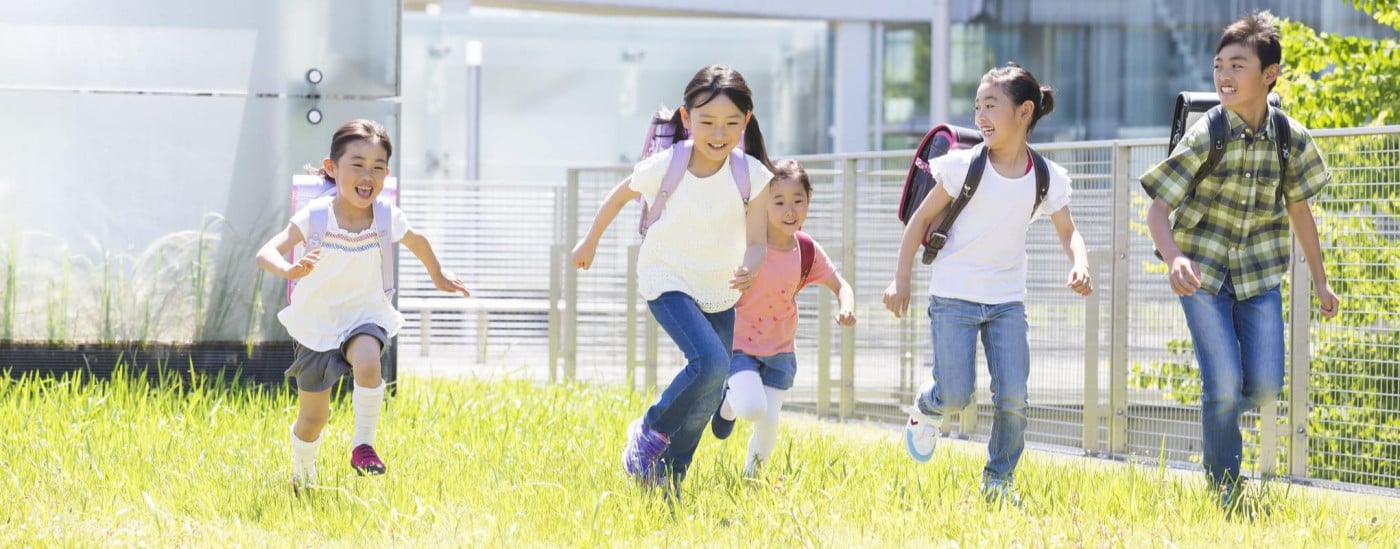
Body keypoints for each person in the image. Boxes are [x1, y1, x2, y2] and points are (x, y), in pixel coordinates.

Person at [1139, 11, 1339, 512]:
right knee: (1224, 384)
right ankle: (1224, 486)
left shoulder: (1290, 137)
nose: (1224, 76)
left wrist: (1320, 281)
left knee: (1267, 386)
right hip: (1202, 273)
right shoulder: (1208, 132)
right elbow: (1157, 210)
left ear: (1268, 74)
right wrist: (1174, 259)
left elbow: (1300, 209)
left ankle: (1218, 413)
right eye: (1218, 65)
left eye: (1237, 65)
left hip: (1259, 274)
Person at [883, 63, 1093, 506]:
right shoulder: (962, 165)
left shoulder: (1046, 176)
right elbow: (920, 218)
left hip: (1006, 302)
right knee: (956, 394)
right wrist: (900, 278)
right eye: (977, 105)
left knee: (1014, 397)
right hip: (954, 295)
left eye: (991, 105)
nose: (980, 114)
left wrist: (1080, 262)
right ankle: (928, 406)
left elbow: (1068, 230)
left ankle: (998, 481)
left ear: (1024, 112)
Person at [572, 64, 775, 493]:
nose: (718, 133)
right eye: (707, 122)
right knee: (712, 362)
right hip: (666, 277)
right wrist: (589, 241)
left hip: (720, 287)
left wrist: (752, 265)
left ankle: (668, 476)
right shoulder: (668, 165)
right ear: (686, 119)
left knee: (709, 388)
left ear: (746, 123)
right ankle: (650, 429)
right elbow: (620, 195)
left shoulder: (751, 176)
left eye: (731, 124)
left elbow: (757, 240)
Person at [255, 119, 471, 491]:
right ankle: (303, 478)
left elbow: (417, 241)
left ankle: (363, 445)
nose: (367, 174)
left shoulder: (386, 217)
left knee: (369, 361)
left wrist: (437, 274)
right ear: (331, 168)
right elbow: (266, 252)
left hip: (364, 315)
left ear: (387, 173)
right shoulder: (318, 216)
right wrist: (290, 269)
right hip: (318, 324)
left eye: (377, 166)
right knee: (313, 419)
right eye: (357, 164)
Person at [708, 159, 856, 477]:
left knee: (769, 420)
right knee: (752, 407)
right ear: (763, 203)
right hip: (738, 347)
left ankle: (752, 479)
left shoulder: (805, 250)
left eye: (797, 201)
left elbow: (840, 284)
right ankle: (729, 402)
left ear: (809, 200)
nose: (790, 211)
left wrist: (846, 305)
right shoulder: (745, 244)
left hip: (780, 352)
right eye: (779, 202)